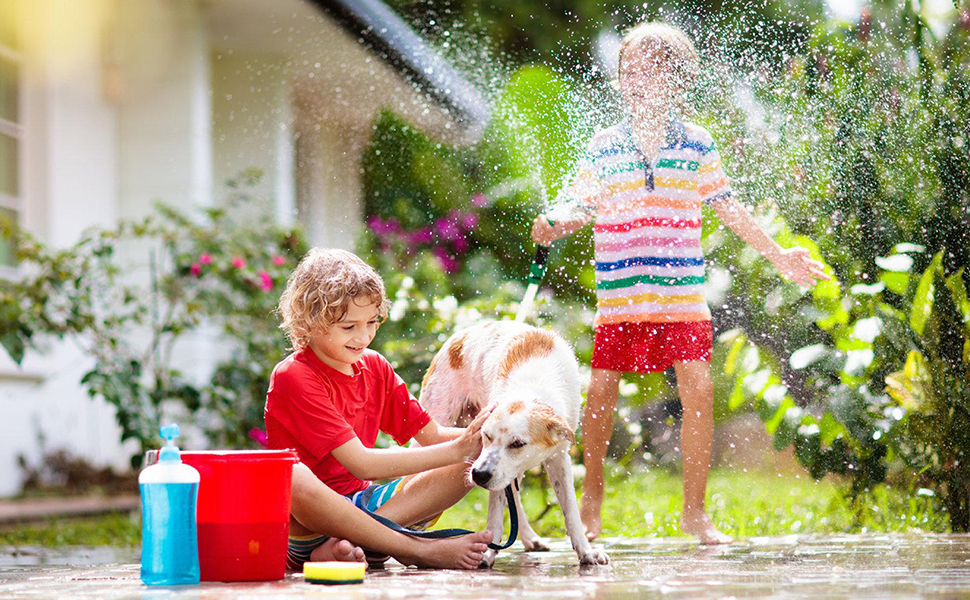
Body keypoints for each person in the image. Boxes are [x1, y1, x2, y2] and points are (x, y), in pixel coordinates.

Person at [531, 21, 829, 544]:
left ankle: (695, 512)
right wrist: (555, 226)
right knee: (600, 392)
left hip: (682, 295)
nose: (641, 80)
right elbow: (581, 207)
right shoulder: (605, 146)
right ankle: (593, 504)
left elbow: (728, 208)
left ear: (678, 81)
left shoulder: (696, 144)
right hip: (621, 300)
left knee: (699, 390)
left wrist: (779, 254)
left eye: (654, 70)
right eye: (631, 71)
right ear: (621, 81)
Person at [265, 248, 493, 569]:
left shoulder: (374, 366)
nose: (364, 336)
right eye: (349, 327)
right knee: (293, 476)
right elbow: (363, 465)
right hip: (301, 525)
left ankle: (354, 545)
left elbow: (434, 436)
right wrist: (458, 449)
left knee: (477, 459)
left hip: (368, 508)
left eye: (371, 322)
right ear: (309, 323)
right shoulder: (294, 376)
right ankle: (416, 549)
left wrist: (494, 437)